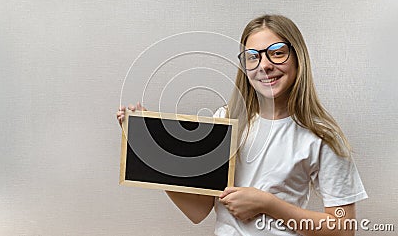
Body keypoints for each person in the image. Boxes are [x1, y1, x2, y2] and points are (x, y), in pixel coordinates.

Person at [116, 14, 367, 235]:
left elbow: (343, 229)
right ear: (244, 67)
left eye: (277, 52)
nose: (265, 65)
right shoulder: (224, 121)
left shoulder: (321, 135)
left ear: (297, 57)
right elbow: (199, 210)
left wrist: (268, 204)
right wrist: (152, 149)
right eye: (252, 57)